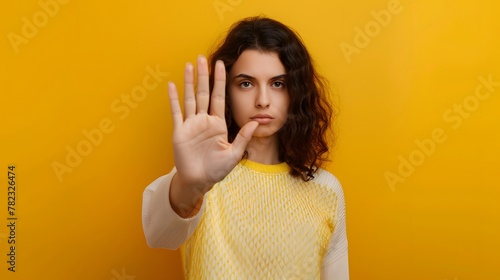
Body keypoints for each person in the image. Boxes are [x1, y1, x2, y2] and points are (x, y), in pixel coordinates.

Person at [142, 16, 349, 279]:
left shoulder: (326, 189)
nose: (263, 100)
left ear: (296, 91)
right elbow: (159, 235)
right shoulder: (202, 177)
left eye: (278, 84)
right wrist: (191, 186)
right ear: (227, 91)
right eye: (246, 83)